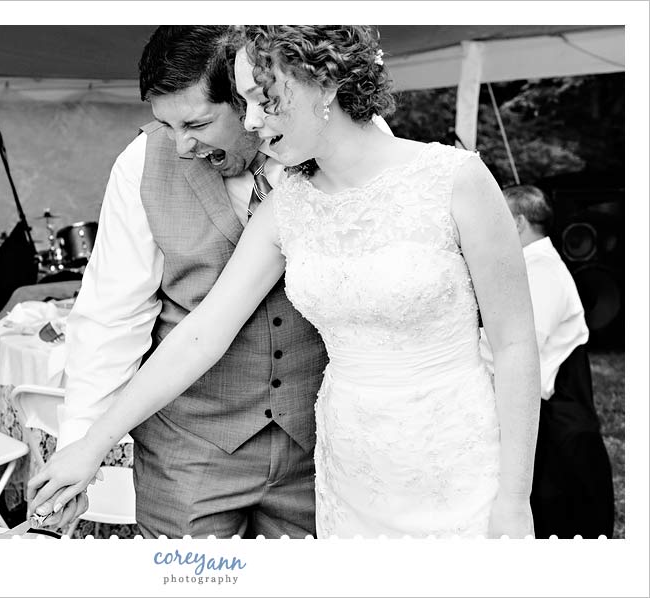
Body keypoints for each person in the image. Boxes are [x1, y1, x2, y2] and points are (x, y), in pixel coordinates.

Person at [30, 25, 541, 538]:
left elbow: (514, 342)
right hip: (298, 465)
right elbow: (190, 333)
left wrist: (516, 498)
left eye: (259, 100)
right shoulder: (284, 205)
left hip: (430, 456)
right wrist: (88, 444)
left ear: (317, 85)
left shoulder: (446, 177)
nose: (252, 120)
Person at [30, 26, 329, 539]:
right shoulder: (141, 164)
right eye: (166, 124)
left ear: (249, 99)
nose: (182, 146)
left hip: (318, 444)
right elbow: (111, 317)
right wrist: (81, 445)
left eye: (197, 123)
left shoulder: (324, 149)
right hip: (188, 452)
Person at [481, 184, 615, 538]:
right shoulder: (530, 266)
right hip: (547, 425)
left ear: (518, 222)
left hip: (560, 436)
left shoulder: (541, 272)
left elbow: (522, 350)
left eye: (498, 217)